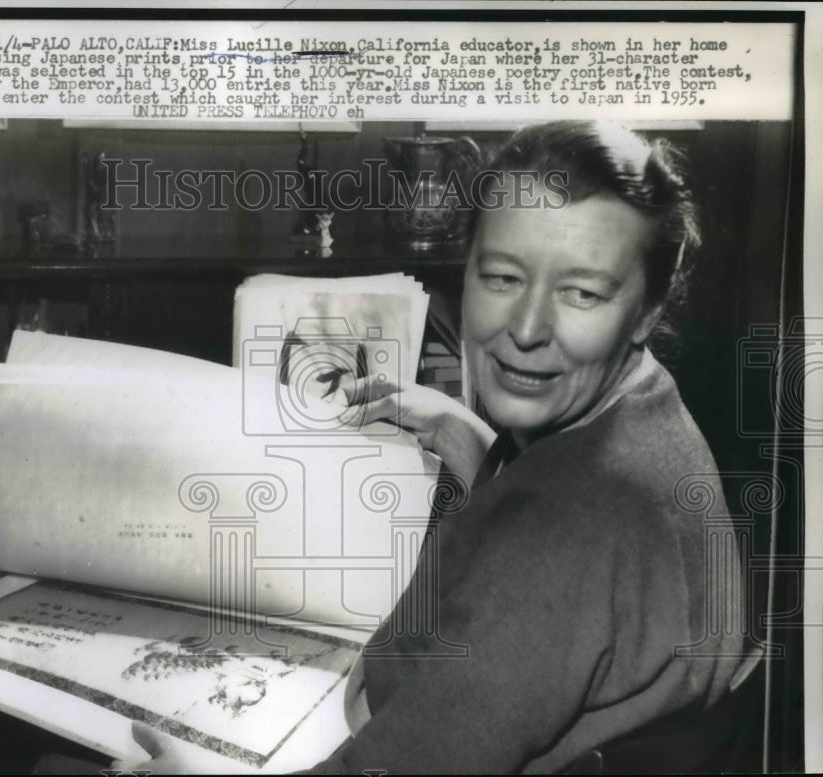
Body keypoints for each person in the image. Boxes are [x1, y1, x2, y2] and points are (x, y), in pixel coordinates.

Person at [95, 120, 751, 774]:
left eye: (580, 292)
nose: (525, 329)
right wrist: (484, 449)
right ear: (464, 269)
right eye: (502, 277)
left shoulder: (562, 537)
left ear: (647, 310)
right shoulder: (649, 412)